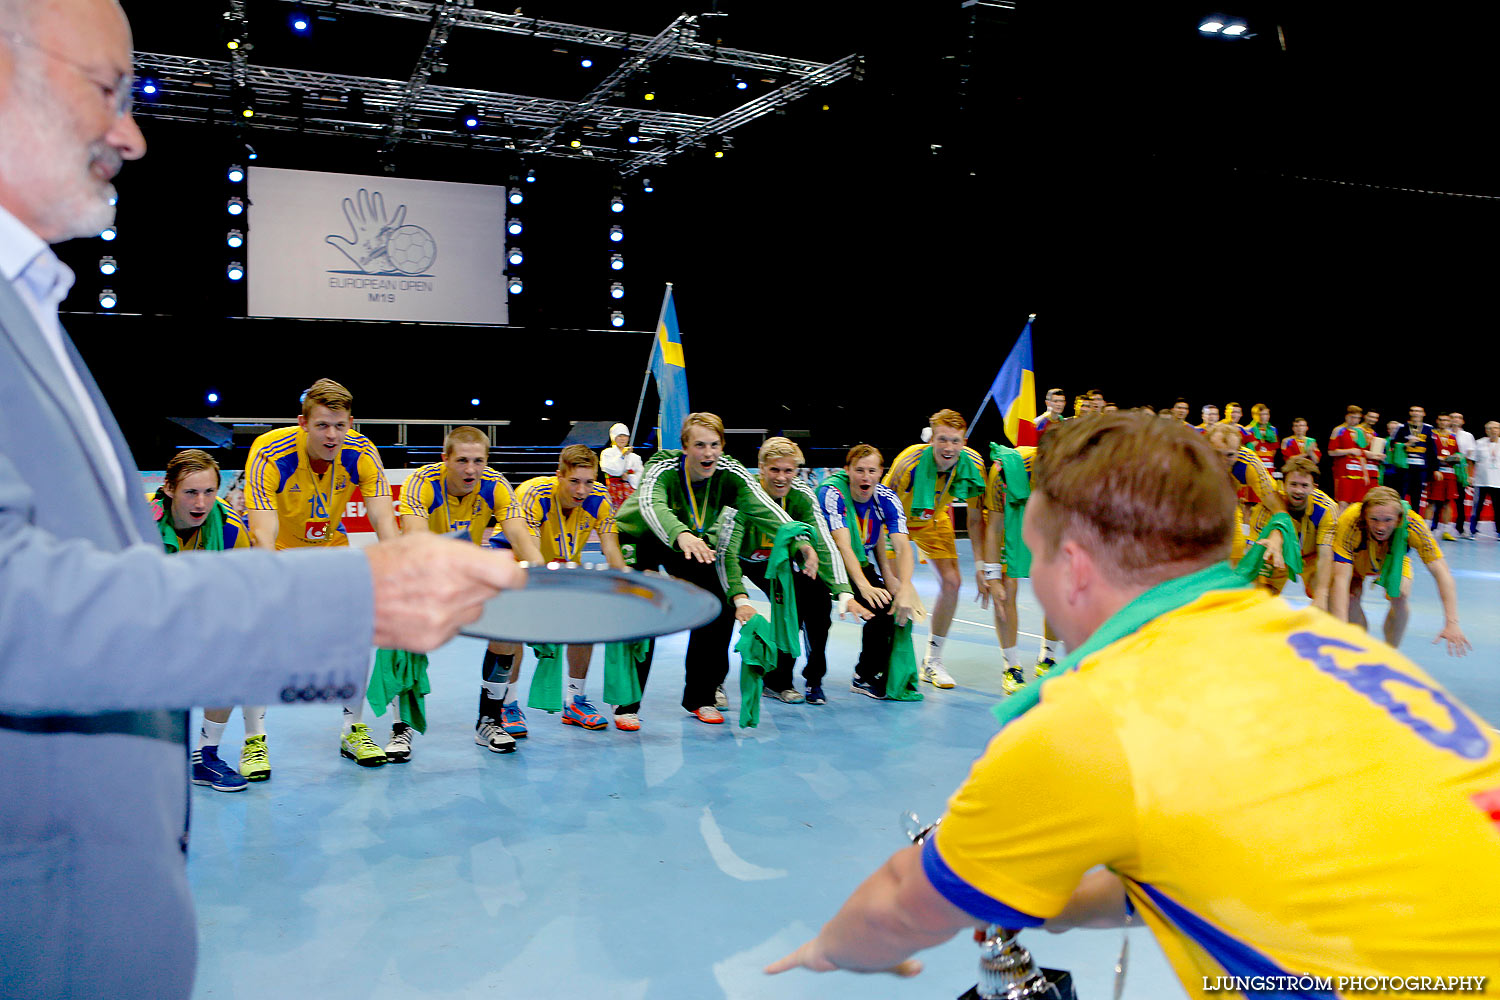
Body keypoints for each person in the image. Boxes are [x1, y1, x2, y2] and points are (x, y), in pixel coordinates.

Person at [0, 5, 521, 994]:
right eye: (109, 89)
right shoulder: (271, 460)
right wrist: (352, 595)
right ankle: (239, 735)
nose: (132, 133)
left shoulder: (26, 306)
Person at [766, 414, 1500, 991]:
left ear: (1074, 568)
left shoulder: (1093, 719)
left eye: (1035, 552)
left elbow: (903, 902)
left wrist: (832, 948)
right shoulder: (1326, 643)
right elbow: (1213, 851)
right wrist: (1042, 898)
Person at [245, 378, 400, 771]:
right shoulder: (269, 453)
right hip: (279, 552)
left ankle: (354, 730)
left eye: (340, 425)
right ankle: (254, 741)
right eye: (322, 426)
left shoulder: (362, 452)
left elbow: (384, 516)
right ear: (302, 423)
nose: (332, 435)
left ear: (351, 423)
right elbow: (262, 530)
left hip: (330, 552)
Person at [613, 412, 799, 725]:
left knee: (716, 604)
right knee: (643, 613)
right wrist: (682, 533)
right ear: (685, 447)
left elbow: (764, 508)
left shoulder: (730, 473)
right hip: (643, 536)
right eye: (700, 445)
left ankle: (701, 696)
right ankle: (627, 705)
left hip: (691, 542)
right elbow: (651, 505)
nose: (708, 452)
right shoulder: (663, 466)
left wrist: (799, 537)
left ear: (722, 446)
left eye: (714, 445)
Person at [395, 425, 518, 757]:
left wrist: (537, 577)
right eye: (462, 460)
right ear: (444, 458)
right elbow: (418, 540)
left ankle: (489, 721)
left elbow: (520, 536)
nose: (470, 469)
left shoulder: (495, 485)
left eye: (478, 461)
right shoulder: (421, 484)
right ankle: (402, 727)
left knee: (507, 622)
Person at [495, 445, 627, 731]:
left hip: (560, 567)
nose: (582, 490)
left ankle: (575, 700)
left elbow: (610, 547)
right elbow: (528, 549)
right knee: (514, 626)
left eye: (589, 482)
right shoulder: (534, 495)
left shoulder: (599, 498)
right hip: (514, 559)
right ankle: (507, 703)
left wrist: (626, 584)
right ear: (559, 476)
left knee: (586, 619)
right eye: (574, 481)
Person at [149, 450, 252, 792]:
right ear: (168, 489)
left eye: (209, 492)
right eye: (191, 492)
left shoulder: (229, 528)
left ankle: (206, 757)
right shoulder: (138, 524)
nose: (201, 502)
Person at [722, 437, 853, 705]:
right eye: (774, 470)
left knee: (807, 601)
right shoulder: (744, 494)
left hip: (775, 562)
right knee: (721, 610)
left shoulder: (801, 495)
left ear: (796, 471)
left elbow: (825, 541)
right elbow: (728, 554)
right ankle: (713, 683)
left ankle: (785, 680)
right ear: (760, 468)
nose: (781, 478)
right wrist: (740, 598)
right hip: (736, 556)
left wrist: (843, 590)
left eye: (788, 470)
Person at [882, 409, 988, 689]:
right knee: (896, 589)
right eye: (942, 439)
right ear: (932, 440)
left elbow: (976, 519)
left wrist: (982, 567)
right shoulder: (909, 463)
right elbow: (883, 509)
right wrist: (900, 576)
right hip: (897, 521)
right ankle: (894, 658)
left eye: (955, 440)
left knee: (953, 582)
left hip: (934, 518)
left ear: (964, 442)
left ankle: (932, 661)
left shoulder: (974, 464)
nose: (949, 447)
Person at [817, 445, 915, 699]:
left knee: (886, 607)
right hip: (824, 565)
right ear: (847, 470)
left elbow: (902, 547)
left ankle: (865, 675)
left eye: (872, 470)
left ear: (881, 472)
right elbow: (843, 546)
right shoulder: (832, 493)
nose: (865, 476)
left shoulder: (886, 499)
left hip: (858, 564)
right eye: (859, 470)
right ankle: (791, 679)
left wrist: (902, 585)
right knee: (813, 617)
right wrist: (863, 586)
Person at [1329, 486, 1469, 655]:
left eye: (1388, 520)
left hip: (1394, 557)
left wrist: (1452, 623)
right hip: (1357, 561)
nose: (1381, 527)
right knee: (1350, 598)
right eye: (1374, 519)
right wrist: (1340, 631)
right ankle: (1360, 647)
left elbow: (1442, 572)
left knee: (1400, 595)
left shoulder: (1413, 524)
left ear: (1399, 518)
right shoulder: (1350, 520)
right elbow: (1340, 579)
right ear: (1364, 515)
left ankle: (1390, 654)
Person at [1247, 456, 1336, 610]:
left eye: (1304, 485)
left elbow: (1325, 555)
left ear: (1314, 487)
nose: (1298, 491)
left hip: (1311, 559)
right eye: (1293, 484)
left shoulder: (1326, 509)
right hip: (1277, 559)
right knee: (1258, 603)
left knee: (1330, 597)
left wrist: (1322, 595)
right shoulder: (1264, 510)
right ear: (1283, 484)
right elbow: (1254, 553)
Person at [1329, 404, 1379, 512]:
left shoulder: (1359, 432)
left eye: (1357, 418)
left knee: (1356, 504)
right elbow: (1331, 452)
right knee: (1342, 503)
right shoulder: (1339, 430)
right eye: (1353, 417)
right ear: (1346, 416)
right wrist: (1349, 451)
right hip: (1343, 472)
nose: (1355, 421)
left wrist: (1365, 474)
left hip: (1358, 472)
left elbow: (1361, 454)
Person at [1390, 405, 1435, 510]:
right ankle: (1399, 519)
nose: (1415, 413)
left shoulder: (1429, 429)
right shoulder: (1401, 428)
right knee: (1400, 496)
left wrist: (1434, 469)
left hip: (1420, 468)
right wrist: (1406, 444)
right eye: (1413, 411)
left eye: (1418, 411)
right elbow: (1392, 445)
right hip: (1404, 468)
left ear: (1424, 414)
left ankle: (1415, 521)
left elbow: (1432, 450)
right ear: (1410, 413)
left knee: (1417, 497)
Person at [1426, 412, 1462, 540]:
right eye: (1441, 420)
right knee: (1431, 502)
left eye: (1446, 420)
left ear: (1449, 422)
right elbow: (1428, 454)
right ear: (1437, 421)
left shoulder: (1453, 437)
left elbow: (1458, 454)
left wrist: (1457, 458)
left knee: (1448, 503)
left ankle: (1446, 531)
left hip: (1450, 473)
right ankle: (1426, 530)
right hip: (1437, 472)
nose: (1443, 422)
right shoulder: (1431, 435)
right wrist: (1438, 460)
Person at [599, 421, 643, 511]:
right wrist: (622, 456)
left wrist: (629, 477)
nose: (622, 439)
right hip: (613, 491)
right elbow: (615, 470)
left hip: (630, 492)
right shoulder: (607, 453)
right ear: (614, 437)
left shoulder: (635, 457)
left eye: (625, 436)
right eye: (619, 436)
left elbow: (641, 475)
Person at [1450, 411, 1477, 536]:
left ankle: (1460, 528)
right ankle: (1434, 527)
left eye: (1458, 418)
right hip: (1445, 470)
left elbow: (1470, 458)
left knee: (1460, 500)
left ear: (1463, 421)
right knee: (1439, 500)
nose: (1455, 419)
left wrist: (1470, 475)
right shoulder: (1442, 433)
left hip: (1461, 471)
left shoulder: (1468, 436)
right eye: (1453, 417)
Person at [1471, 420, 1500, 538]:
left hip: (1498, 482)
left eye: (1496, 428)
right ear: (1486, 430)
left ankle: (1499, 532)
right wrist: (1470, 476)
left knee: (1498, 508)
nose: (1493, 430)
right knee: (1477, 507)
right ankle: (1473, 531)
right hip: (1481, 481)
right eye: (1490, 428)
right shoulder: (1479, 443)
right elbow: (1472, 461)